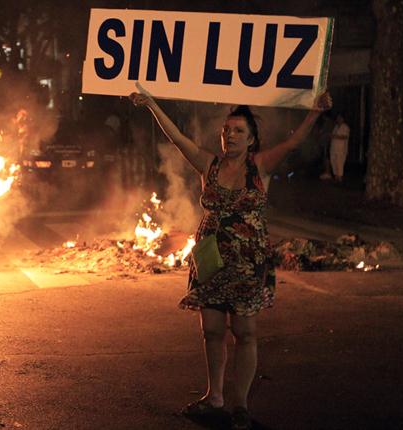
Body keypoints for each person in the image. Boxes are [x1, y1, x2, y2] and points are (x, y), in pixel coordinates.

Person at [129, 90, 332, 429]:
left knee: (245, 333)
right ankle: (215, 397)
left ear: (252, 139)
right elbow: (178, 138)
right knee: (211, 331)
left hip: (247, 263)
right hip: (211, 261)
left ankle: (240, 404)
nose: (230, 135)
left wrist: (314, 112)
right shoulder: (208, 164)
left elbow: (294, 142)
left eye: (238, 131)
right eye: (226, 130)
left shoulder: (260, 167)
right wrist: (152, 105)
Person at [329, 113, 350, 183]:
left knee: (340, 162)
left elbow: (345, 137)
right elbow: (333, 136)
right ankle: (336, 176)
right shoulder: (335, 127)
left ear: (343, 119)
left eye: (339, 118)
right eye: (337, 118)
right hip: (333, 147)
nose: (338, 119)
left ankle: (340, 177)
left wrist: (335, 136)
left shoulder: (345, 127)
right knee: (333, 161)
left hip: (341, 148)